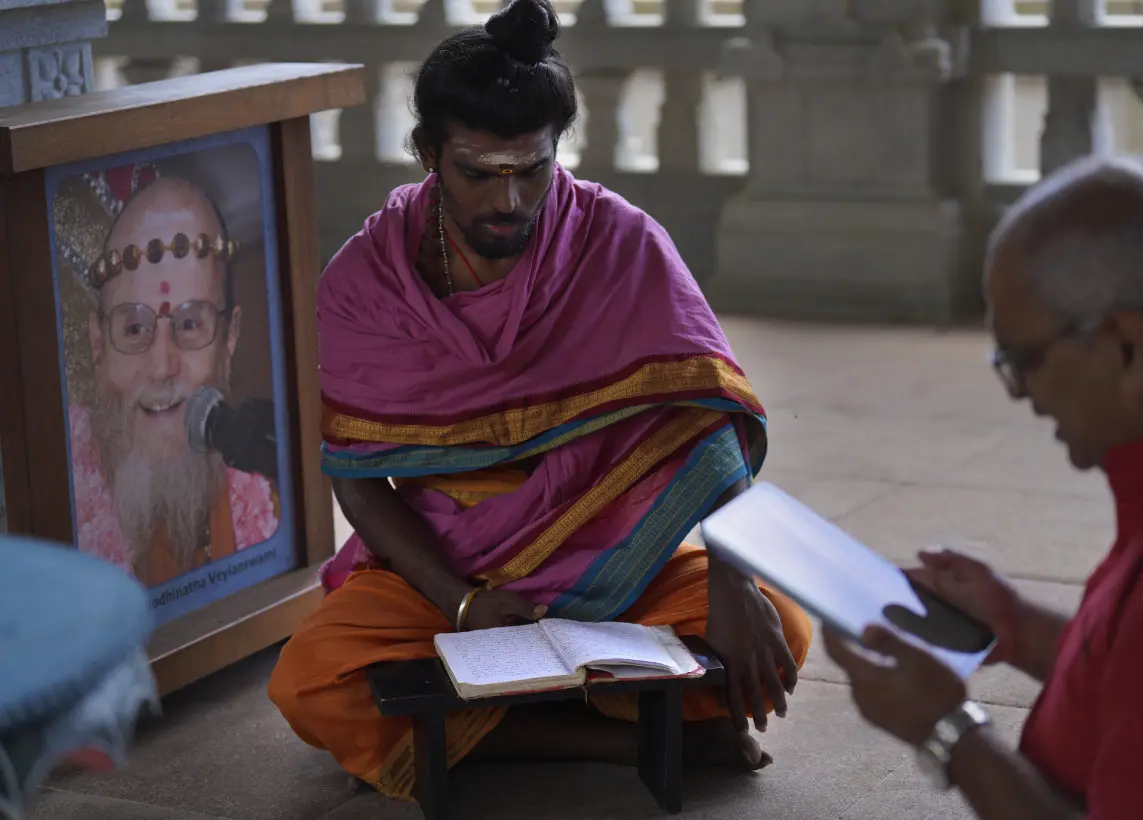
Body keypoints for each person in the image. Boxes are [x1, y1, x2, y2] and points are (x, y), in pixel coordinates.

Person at [267, 0, 812, 801]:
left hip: (618, 549)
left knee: (779, 626)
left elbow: (708, 416)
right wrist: (463, 602)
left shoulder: (619, 239)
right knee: (310, 681)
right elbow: (355, 477)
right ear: (427, 153)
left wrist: (732, 579)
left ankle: (481, 728)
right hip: (449, 568)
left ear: (560, 151)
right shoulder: (364, 284)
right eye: (478, 173)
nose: (510, 201)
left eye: (532, 170)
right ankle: (624, 741)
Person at [821, 153, 1143, 818]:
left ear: (1130, 347)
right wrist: (1020, 629)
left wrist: (950, 732)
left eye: (1024, 362)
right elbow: (1138, 681)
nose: (1024, 397)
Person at [54, 164, 278, 587]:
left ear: (229, 339)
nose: (161, 367)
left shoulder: (271, 485)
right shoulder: (48, 504)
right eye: (134, 329)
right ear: (98, 344)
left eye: (190, 324)